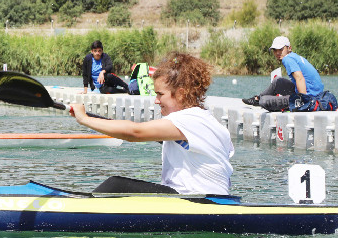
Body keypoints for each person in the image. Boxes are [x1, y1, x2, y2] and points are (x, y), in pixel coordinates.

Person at [69, 51, 234, 195]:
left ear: (181, 94)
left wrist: (85, 119)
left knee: (116, 185)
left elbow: (135, 132)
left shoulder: (188, 119)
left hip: (198, 203)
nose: (156, 101)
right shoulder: (208, 121)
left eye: (160, 94)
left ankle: (76, 211)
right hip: (211, 201)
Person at [243, 36, 326, 112]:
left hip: (310, 98)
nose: (277, 53)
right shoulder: (294, 56)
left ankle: (260, 100)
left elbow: (300, 78)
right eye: (275, 50)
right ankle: (257, 98)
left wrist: (303, 102)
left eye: (281, 49)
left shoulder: (287, 59)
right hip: (313, 93)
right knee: (277, 81)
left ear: (289, 48)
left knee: (264, 101)